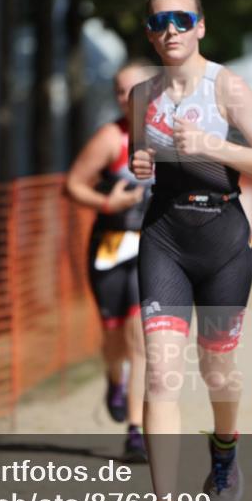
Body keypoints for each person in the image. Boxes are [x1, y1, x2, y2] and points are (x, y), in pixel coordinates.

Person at [128, 0, 252, 501]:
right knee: (160, 374)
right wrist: (140, 162)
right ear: (150, 33)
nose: (170, 29)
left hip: (222, 239)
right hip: (163, 238)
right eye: (159, 21)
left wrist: (211, 147)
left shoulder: (228, 87)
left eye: (181, 18)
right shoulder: (142, 94)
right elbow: (140, 156)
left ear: (200, 26)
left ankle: (224, 448)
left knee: (217, 369)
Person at [65, 60, 156, 463]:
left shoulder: (171, 136)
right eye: (119, 91)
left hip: (152, 248)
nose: (124, 98)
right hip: (110, 247)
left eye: (132, 90)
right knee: (114, 338)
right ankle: (113, 380)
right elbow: (72, 185)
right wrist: (107, 203)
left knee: (141, 339)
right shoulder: (110, 138)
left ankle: (135, 430)